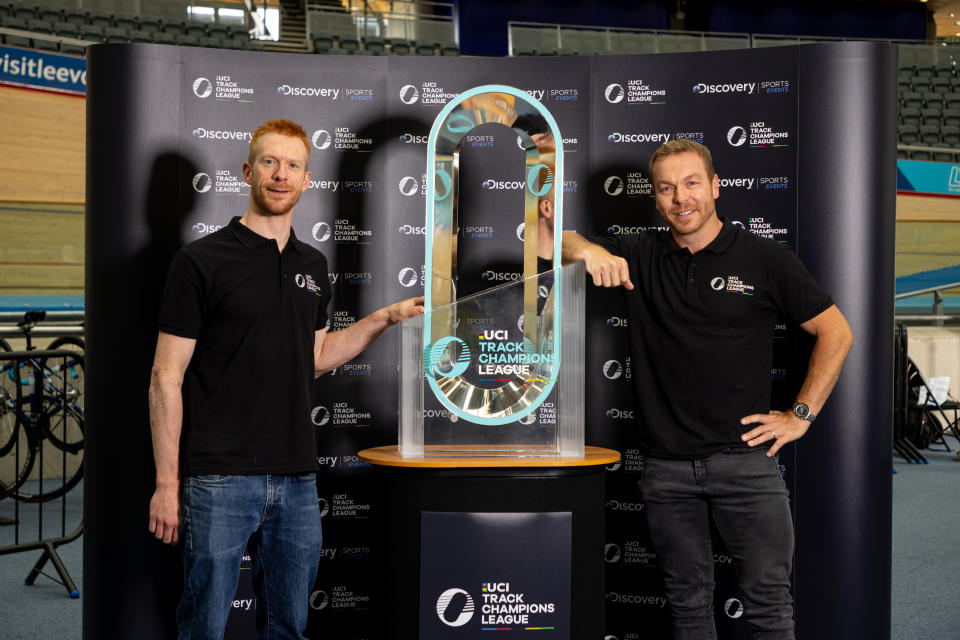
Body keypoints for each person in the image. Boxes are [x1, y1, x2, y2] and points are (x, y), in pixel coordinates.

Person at [562, 139, 853, 640]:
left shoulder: (764, 259)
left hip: (745, 462)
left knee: (768, 606)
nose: (681, 198)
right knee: (688, 606)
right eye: (667, 188)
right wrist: (587, 249)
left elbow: (836, 332)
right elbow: (553, 241)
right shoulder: (639, 252)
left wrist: (799, 415)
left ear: (716, 186)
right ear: (655, 198)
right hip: (665, 469)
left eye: (692, 183)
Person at [147, 118, 423, 639]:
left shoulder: (313, 265)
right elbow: (165, 377)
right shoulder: (200, 261)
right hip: (219, 475)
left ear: (306, 180)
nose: (281, 174)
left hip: (297, 478)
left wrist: (384, 317)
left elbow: (315, 355)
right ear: (249, 171)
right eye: (270, 162)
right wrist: (167, 483)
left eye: (292, 165)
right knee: (204, 626)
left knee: (289, 629)